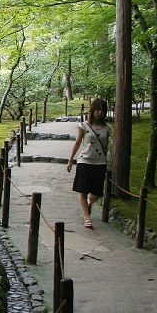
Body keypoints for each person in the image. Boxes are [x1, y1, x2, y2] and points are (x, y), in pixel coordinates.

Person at [66, 98, 112, 229]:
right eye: (97, 110)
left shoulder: (108, 128)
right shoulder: (84, 126)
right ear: (93, 110)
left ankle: (88, 204)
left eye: (102, 110)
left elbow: (108, 145)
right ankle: (87, 218)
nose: (100, 112)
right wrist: (70, 160)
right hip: (85, 160)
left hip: (100, 162)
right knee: (83, 190)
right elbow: (77, 142)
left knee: (96, 192)